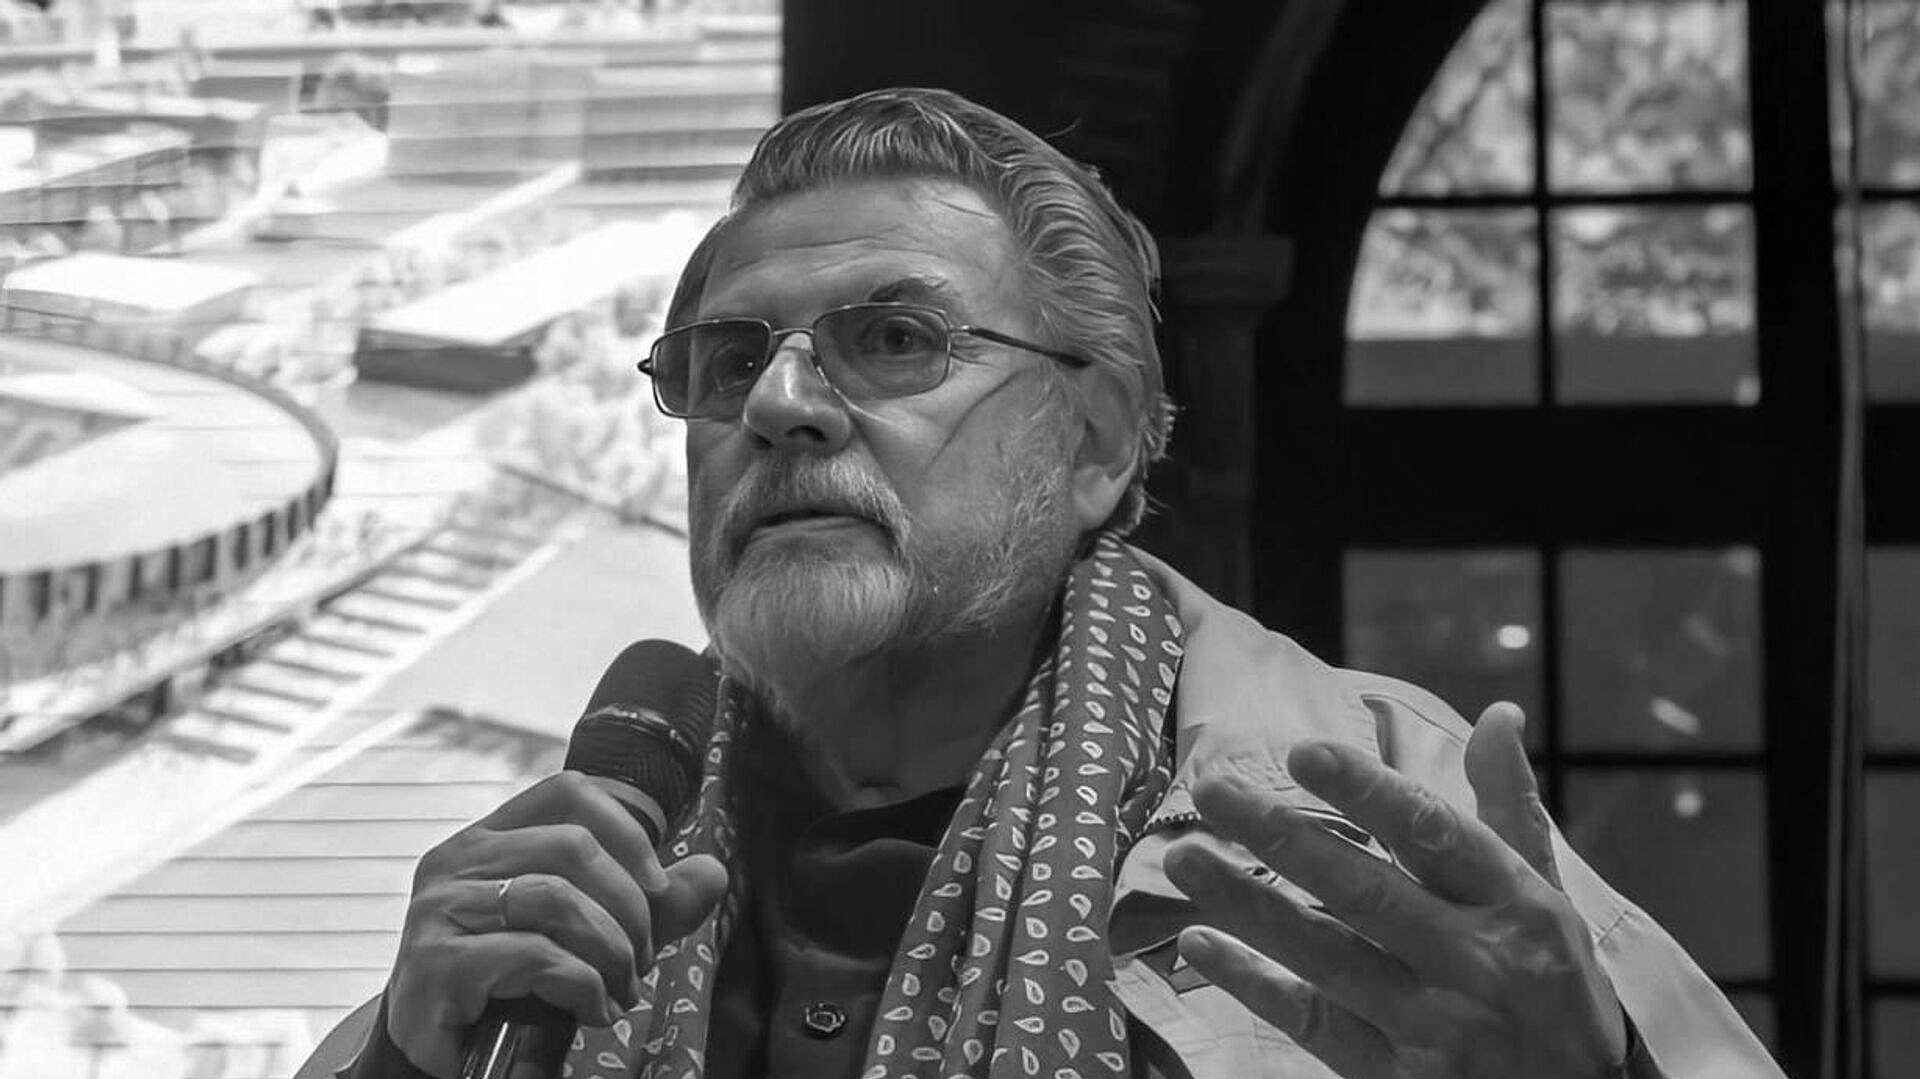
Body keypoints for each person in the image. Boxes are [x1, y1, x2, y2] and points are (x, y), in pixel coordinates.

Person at [304, 87, 1784, 1079]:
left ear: (1097, 442)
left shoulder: (1378, 806)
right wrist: (402, 1065)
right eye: (729, 361)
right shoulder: (581, 876)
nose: (781, 405)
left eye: (895, 342)